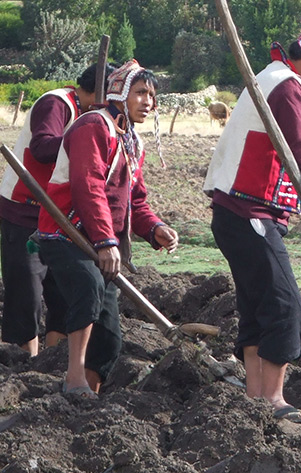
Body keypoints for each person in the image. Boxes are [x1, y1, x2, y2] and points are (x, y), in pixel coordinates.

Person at [203, 16, 301, 425]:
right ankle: (273, 399)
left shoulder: (272, 77)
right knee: (285, 305)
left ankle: (254, 395)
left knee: (258, 306)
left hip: (235, 212)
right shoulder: (286, 86)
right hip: (248, 211)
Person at [37, 59, 178, 399]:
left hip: (102, 242)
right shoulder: (93, 126)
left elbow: (134, 200)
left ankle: (88, 397)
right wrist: (104, 240)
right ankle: (73, 380)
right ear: (121, 93)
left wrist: (154, 228)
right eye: (141, 92)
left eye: (153, 96)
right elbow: (89, 187)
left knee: (110, 334)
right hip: (66, 233)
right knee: (87, 291)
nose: (149, 102)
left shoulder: (131, 141)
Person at [0, 63, 114, 356]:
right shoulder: (57, 103)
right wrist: (85, 140)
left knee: (63, 291)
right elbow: (42, 147)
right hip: (25, 208)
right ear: (100, 92)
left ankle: (52, 362)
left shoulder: (95, 117)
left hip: (62, 217)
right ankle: (22, 361)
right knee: (26, 291)